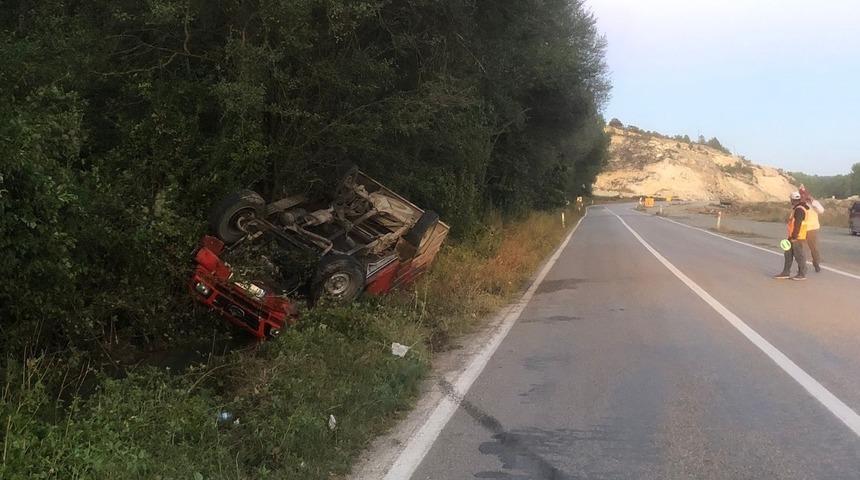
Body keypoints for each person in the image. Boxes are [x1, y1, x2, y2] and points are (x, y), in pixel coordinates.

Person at [774, 191, 809, 281]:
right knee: (788, 254)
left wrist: (794, 236)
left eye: (791, 200)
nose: (791, 201)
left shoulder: (799, 210)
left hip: (797, 237)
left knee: (799, 255)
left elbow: (798, 224)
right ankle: (786, 272)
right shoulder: (797, 208)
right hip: (792, 236)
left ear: (793, 200)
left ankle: (802, 273)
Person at [798, 184, 824, 272]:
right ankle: (802, 267)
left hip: (812, 229)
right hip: (802, 230)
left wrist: (812, 202)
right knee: (801, 249)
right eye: (801, 194)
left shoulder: (814, 203)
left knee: (814, 249)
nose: (803, 196)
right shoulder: (799, 204)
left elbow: (821, 210)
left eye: (804, 194)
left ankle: (816, 263)